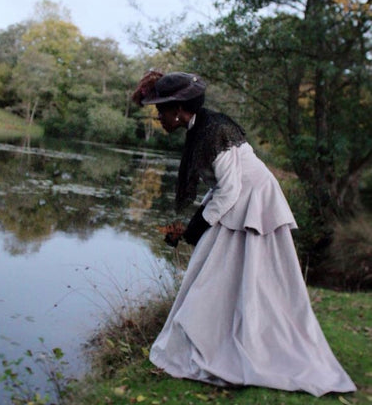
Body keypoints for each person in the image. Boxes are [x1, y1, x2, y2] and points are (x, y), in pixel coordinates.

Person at [132, 70, 356, 397]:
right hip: (239, 200)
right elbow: (220, 189)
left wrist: (195, 229)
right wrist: (190, 227)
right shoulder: (200, 128)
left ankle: (242, 346)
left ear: (178, 109)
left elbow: (230, 189)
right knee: (222, 274)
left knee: (229, 275)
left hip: (253, 203)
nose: (158, 116)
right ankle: (224, 336)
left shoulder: (214, 131)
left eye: (160, 109)